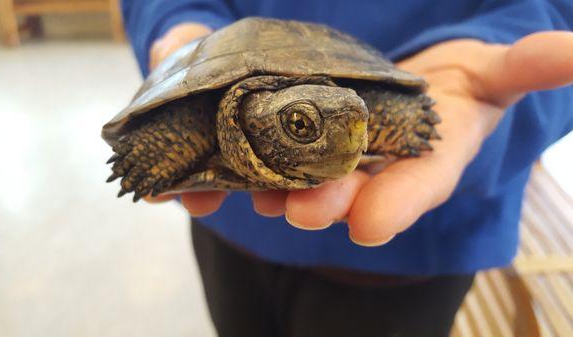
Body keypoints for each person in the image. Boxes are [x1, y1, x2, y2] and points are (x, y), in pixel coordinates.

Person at [120, 1, 573, 336]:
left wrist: (486, 127)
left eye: (360, 122)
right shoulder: (210, 116)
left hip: (414, 250)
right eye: (299, 125)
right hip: (229, 233)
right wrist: (175, 19)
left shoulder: (367, 117)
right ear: (243, 116)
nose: (349, 138)